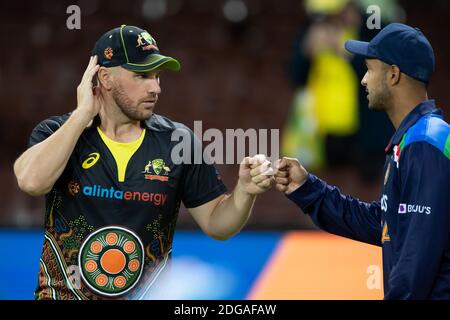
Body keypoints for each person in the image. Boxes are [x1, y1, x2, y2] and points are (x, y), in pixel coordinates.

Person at [13, 25, 274, 300]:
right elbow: (32, 181)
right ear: (105, 77)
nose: (155, 88)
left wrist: (245, 192)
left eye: (157, 76)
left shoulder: (178, 141)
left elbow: (217, 225)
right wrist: (81, 116)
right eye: (142, 76)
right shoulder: (57, 131)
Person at [275, 23, 450, 299]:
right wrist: (308, 189)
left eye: (369, 69)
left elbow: (415, 263)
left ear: (393, 75)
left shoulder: (424, 145)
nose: (363, 80)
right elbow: (384, 225)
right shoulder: (413, 140)